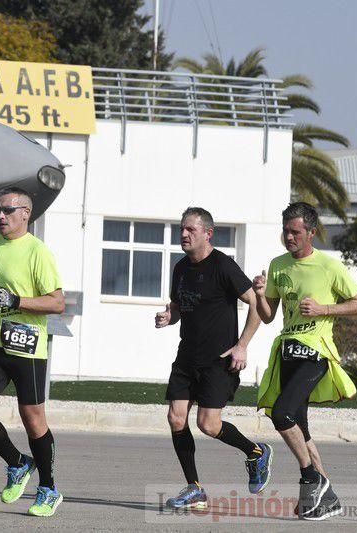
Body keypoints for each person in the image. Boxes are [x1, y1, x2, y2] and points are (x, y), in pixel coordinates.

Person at [253, 202, 357, 521]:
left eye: (295, 231)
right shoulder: (278, 265)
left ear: (311, 233)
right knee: (300, 429)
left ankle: (310, 478)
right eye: (286, 231)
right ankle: (327, 498)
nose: (288, 237)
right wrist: (261, 294)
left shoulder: (329, 266)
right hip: (288, 352)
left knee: (282, 413)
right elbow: (267, 317)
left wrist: (324, 309)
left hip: (316, 352)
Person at [155, 207, 271, 510]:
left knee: (208, 424)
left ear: (208, 233)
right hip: (186, 358)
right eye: (182, 229)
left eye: (190, 229)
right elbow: (179, 305)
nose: (183, 234)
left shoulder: (223, 266)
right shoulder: (180, 268)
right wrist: (171, 315)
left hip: (218, 361)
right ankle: (194, 488)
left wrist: (242, 345)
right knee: (175, 418)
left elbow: (256, 304)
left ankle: (256, 451)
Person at [0, 186, 65, 517]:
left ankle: (48, 488)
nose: (1, 216)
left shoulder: (38, 252)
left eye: (7, 211)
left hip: (27, 345)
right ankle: (18, 462)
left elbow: (57, 301)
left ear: (26, 214)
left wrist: (18, 301)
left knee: (32, 418)